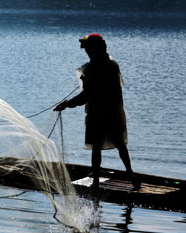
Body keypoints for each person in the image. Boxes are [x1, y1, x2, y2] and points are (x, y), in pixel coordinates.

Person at [54, 33, 139, 189]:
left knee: (96, 146)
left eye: (88, 50)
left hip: (97, 113)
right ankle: (130, 173)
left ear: (93, 50)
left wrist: (67, 104)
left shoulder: (90, 69)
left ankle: (95, 182)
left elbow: (85, 96)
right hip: (114, 112)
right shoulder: (113, 65)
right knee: (120, 144)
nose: (87, 52)